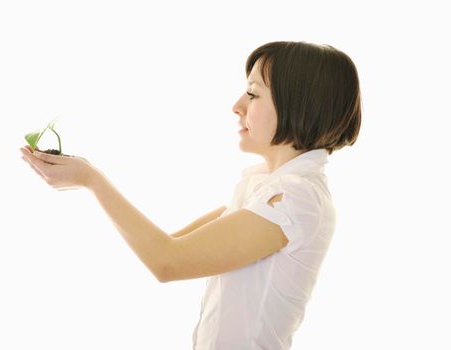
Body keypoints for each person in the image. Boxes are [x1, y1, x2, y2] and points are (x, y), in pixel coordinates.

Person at [20, 40, 361, 350]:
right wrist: (86, 177)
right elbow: (168, 244)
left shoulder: (295, 197)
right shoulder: (264, 186)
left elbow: (168, 261)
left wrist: (91, 179)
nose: (237, 105)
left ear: (298, 106)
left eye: (253, 94)